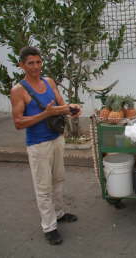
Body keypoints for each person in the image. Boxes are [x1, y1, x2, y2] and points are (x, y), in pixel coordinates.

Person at [10, 46, 81, 245]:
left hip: (57, 138)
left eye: (38, 62)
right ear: (21, 65)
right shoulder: (18, 90)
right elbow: (18, 123)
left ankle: (58, 214)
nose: (36, 67)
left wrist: (71, 109)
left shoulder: (49, 82)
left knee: (58, 179)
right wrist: (45, 114)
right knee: (43, 188)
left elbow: (59, 105)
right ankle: (49, 227)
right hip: (38, 144)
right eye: (30, 63)